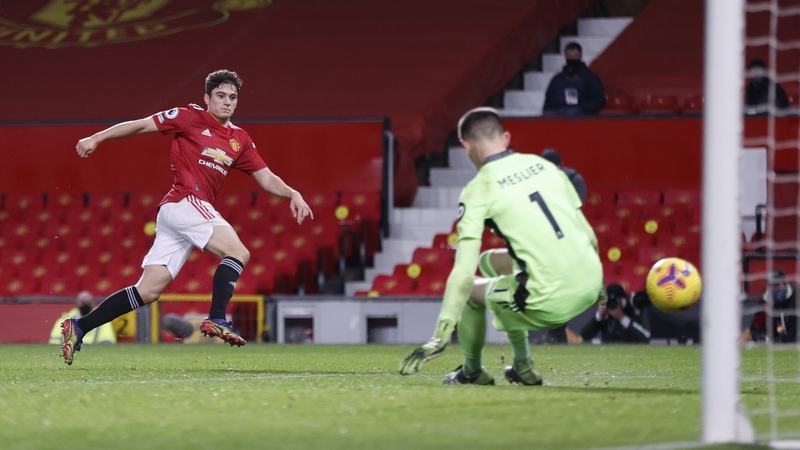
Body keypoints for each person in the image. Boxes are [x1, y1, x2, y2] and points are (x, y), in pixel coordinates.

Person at [61, 70, 313, 365]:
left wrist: (292, 192)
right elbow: (142, 126)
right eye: (220, 96)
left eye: (233, 97)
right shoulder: (188, 116)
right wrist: (97, 137)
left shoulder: (239, 139)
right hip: (184, 201)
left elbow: (266, 178)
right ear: (207, 98)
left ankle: (78, 327)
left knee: (149, 290)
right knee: (238, 252)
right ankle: (217, 318)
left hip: (175, 213)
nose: (227, 102)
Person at [398, 107, 604, 385]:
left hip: (551, 301)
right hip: (591, 284)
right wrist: (600, 289)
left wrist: (441, 335)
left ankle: (472, 371)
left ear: (466, 145)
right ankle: (521, 367)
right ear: (506, 138)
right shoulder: (545, 167)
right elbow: (588, 236)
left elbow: (462, 273)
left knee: (472, 291)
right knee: (488, 262)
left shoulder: (478, 189)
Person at [542, 42, 606, 117]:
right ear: (565, 56)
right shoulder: (557, 79)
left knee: (573, 112)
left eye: (575, 55)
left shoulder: (591, 78)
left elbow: (599, 100)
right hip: (557, 111)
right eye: (569, 55)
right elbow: (548, 100)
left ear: (580, 56)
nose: (572, 58)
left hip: (579, 113)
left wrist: (583, 108)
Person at [580, 284, 650, 344]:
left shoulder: (633, 312)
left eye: (616, 301)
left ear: (624, 299)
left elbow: (646, 337)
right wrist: (598, 317)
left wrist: (623, 319)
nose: (613, 305)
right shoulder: (606, 316)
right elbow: (584, 335)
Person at [49, 291, 116, 345]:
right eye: (83, 302)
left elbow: (108, 342)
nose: (85, 305)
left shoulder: (104, 321)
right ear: (76, 304)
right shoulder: (63, 321)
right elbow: (54, 344)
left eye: (88, 302)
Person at [750, 270, 797, 343]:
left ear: (785, 284)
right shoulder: (766, 300)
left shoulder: (797, 297)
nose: (774, 288)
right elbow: (755, 327)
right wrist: (762, 339)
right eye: (771, 285)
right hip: (776, 342)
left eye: (777, 285)